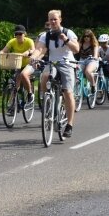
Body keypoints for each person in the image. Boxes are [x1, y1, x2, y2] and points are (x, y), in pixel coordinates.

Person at [29, 9, 79, 137]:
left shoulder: (68, 32)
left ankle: (69, 124)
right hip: (52, 63)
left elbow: (76, 49)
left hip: (67, 63)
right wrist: (34, 57)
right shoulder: (46, 36)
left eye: (55, 19)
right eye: (50, 19)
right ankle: (48, 102)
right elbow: (40, 49)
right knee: (44, 77)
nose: (52, 21)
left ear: (60, 20)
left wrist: (66, 40)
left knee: (67, 92)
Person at [0, 24, 36, 107]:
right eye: (16, 34)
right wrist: (1, 54)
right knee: (16, 83)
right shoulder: (12, 41)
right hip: (18, 64)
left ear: (25, 34)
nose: (18, 36)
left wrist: (28, 52)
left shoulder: (29, 41)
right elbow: (4, 50)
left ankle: (30, 94)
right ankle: (12, 104)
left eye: (20, 34)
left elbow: (33, 50)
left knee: (23, 75)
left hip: (29, 64)